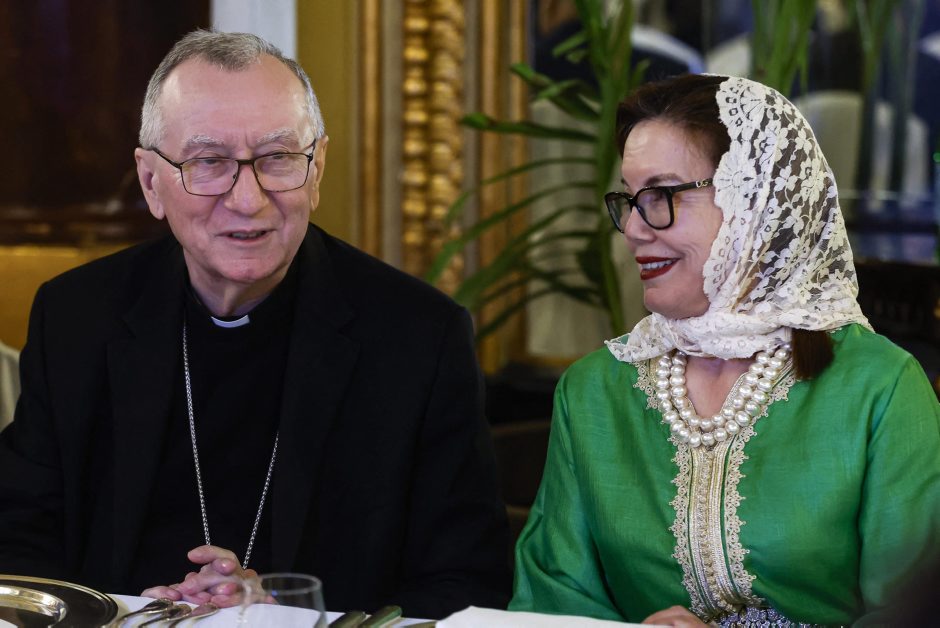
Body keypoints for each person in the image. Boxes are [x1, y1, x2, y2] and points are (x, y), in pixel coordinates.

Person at [0, 30, 510, 619]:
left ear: (317, 169)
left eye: (278, 158)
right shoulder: (77, 316)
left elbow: (467, 584)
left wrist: (284, 615)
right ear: (150, 182)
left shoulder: (419, 338)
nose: (248, 199)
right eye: (208, 162)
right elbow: (18, 538)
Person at [509, 74, 940, 626]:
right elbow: (552, 595)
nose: (634, 229)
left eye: (662, 196)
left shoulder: (879, 387)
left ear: (755, 200)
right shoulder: (594, 389)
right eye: (630, 199)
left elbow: (916, 612)